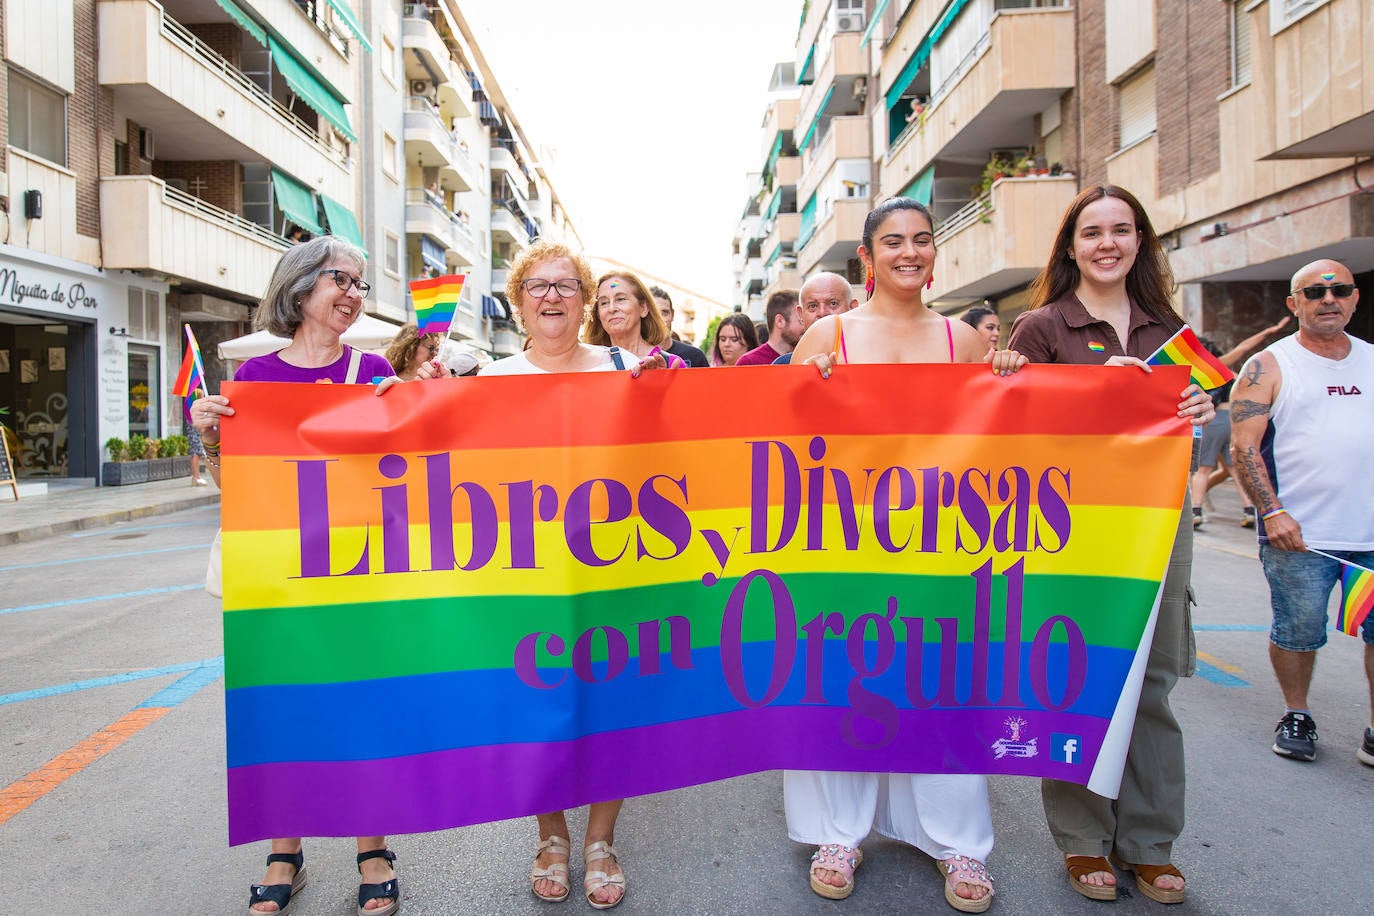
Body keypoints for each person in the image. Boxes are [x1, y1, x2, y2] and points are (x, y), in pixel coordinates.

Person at [191, 236, 445, 916]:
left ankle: (373, 848)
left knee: (364, 706)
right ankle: (285, 850)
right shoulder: (257, 383)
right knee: (287, 705)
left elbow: (417, 471)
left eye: (360, 283)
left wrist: (420, 410)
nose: (354, 293)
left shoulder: (373, 375)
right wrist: (209, 437)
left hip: (364, 575)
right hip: (282, 577)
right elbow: (235, 490)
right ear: (301, 288)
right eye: (343, 279)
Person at [788, 197, 1027, 913]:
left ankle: (960, 845)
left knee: (941, 683)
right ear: (868, 256)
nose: (909, 253)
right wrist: (806, 392)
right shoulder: (825, 334)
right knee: (847, 682)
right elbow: (772, 440)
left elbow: (1002, 440)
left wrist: (1014, 378)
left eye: (921, 240)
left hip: (940, 552)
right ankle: (839, 832)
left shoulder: (964, 341)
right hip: (841, 546)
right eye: (892, 241)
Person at [1007, 185, 1215, 906]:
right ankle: (1084, 840)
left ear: (1139, 241)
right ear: (1070, 246)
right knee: (1076, 680)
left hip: (1158, 525)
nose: (1106, 243)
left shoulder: (1172, 329)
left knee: (1152, 683)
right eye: (1091, 231)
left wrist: (1199, 409)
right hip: (1072, 530)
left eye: (1121, 230)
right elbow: (1014, 428)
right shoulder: (1040, 328)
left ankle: (1151, 844)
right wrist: (1092, 391)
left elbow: (1196, 439)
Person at [479, 239, 668, 908]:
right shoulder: (491, 380)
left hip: (613, 568)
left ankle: (601, 840)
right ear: (519, 301)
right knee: (541, 707)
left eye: (565, 285)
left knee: (609, 705)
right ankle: (551, 835)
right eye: (537, 286)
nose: (551, 296)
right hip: (525, 573)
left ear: (585, 299)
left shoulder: (628, 367)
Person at [1228, 258, 1374, 767]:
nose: (1328, 299)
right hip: (1299, 535)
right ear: (1294, 304)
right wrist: (1273, 515)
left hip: (1371, 533)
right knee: (1298, 630)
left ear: (1355, 299)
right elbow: (1243, 447)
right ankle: (1297, 713)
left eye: (1340, 290)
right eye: (1314, 292)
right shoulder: (1268, 365)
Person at [1189, 317, 1292, 529]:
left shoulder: (1198, 371)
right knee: (1235, 469)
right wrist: (1266, 332)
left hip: (1214, 420)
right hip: (1232, 420)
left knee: (1203, 470)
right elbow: (1243, 347)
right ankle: (1249, 510)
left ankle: (1196, 510)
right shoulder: (1225, 370)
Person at [585, 271, 686, 367]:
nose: (611, 309)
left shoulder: (671, 364)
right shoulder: (590, 365)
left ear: (643, 308)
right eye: (604, 303)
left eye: (620, 299)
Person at [773, 273, 854, 365]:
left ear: (853, 308)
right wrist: (804, 374)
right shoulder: (784, 365)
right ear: (800, 314)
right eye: (813, 306)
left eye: (833, 303)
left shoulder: (868, 354)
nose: (822, 313)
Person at [736, 289, 802, 365]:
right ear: (779, 321)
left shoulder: (807, 358)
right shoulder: (749, 362)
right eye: (801, 321)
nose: (806, 326)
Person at [650, 285, 709, 366]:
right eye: (654, 314)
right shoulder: (633, 357)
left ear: (672, 315)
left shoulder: (695, 356)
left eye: (664, 313)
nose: (661, 320)